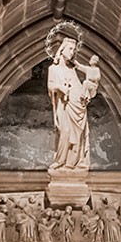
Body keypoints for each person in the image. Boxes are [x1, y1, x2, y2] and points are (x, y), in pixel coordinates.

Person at [47, 24, 99, 173]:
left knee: (78, 136)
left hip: (78, 108)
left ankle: (72, 163)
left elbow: (78, 86)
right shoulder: (54, 69)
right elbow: (51, 86)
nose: (72, 52)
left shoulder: (72, 70)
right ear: (61, 49)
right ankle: (60, 161)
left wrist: (86, 94)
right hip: (64, 106)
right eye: (70, 49)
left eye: (74, 50)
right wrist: (60, 88)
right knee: (65, 132)